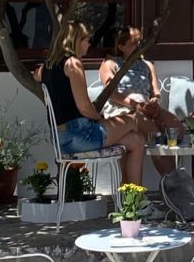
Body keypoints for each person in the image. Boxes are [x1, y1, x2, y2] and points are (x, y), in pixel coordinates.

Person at [40, 19, 150, 185]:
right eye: (87, 40)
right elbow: (84, 107)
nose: (89, 44)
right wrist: (100, 118)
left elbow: (35, 75)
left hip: (60, 138)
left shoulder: (47, 66)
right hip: (80, 134)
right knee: (134, 119)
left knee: (136, 140)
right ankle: (165, 140)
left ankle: (132, 198)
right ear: (76, 40)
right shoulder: (73, 63)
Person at [99, 25, 184, 176]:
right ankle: (172, 181)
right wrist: (136, 105)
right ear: (121, 46)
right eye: (134, 43)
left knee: (176, 129)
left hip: (146, 108)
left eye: (140, 42)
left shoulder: (147, 65)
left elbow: (156, 91)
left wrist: (155, 103)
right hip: (123, 109)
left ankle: (172, 179)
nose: (139, 46)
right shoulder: (110, 64)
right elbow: (110, 93)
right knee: (155, 134)